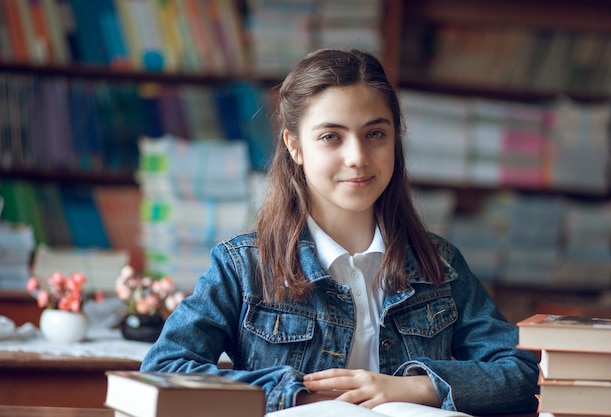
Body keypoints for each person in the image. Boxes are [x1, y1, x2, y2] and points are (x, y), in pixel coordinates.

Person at [140, 49, 539, 414]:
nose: (357, 158)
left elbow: (523, 373)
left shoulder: (439, 264)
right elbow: (165, 370)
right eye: (331, 137)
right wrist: (296, 395)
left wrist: (416, 388)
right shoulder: (242, 265)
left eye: (375, 134)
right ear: (295, 146)